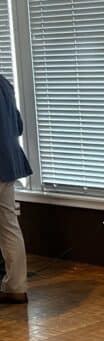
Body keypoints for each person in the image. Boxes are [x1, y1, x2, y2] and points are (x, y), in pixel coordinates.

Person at [0, 74, 32, 305]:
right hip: (7, 164)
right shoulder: (4, 82)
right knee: (9, 226)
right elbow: (18, 125)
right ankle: (16, 287)